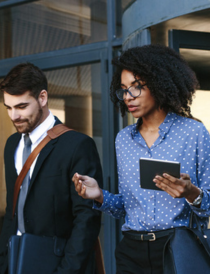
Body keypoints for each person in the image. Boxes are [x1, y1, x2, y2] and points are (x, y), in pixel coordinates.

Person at [73, 44, 210, 274]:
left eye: (136, 88)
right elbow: (126, 208)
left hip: (176, 248)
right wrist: (99, 196)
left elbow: (207, 206)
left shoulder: (193, 133)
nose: (128, 97)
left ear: (159, 83)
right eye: (124, 89)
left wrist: (190, 193)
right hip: (131, 251)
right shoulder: (123, 140)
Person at [0, 62, 103, 274]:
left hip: (57, 264)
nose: (14, 116)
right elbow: (13, 211)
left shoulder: (77, 145)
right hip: (15, 261)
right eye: (8, 107)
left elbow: (86, 219)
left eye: (21, 106)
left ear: (43, 98)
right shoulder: (12, 144)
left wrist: (66, 271)